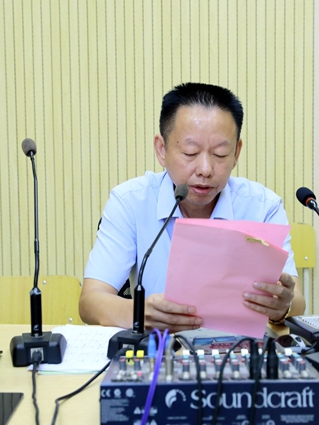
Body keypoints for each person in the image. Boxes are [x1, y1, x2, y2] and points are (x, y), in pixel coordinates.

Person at [79, 82, 306, 332]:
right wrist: (140, 313)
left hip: (238, 347)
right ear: (162, 149)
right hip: (161, 347)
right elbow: (90, 301)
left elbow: (297, 301)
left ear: (236, 153)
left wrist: (283, 306)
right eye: (190, 152)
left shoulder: (263, 206)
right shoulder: (131, 202)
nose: (205, 170)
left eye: (220, 154)